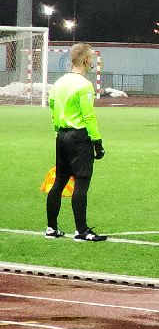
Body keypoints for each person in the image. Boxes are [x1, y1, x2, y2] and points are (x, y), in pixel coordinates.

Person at [45, 42, 107, 242]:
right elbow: (88, 116)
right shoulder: (84, 85)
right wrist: (97, 141)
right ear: (86, 60)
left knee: (59, 182)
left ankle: (51, 228)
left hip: (61, 135)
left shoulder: (59, 82)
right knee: (81, 181)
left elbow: (52, 106)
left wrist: (57, 130)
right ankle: (81, 231)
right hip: (79, 138)